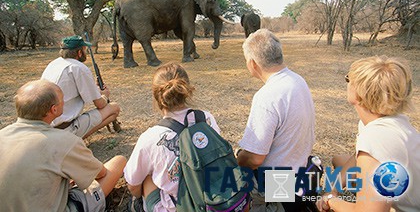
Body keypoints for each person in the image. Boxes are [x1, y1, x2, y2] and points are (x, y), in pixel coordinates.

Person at [0, 79, 127, 212]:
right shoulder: (64, 141)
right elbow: (100, 174)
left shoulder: (2, 134)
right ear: (54, 109)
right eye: (62, 100)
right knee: (118, 162)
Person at [317, 56, 420, 212]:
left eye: (348, 79)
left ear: (359, 93)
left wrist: (331, 201)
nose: (347, 82)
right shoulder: (384, 121)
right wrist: (334, 188)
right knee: (339, 160)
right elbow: (357, 158)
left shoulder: (377, 137)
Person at [124, 62, 221, 212]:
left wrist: (139, 196)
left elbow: (132, 184)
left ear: (157, 97)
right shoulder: (207, 119)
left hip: (178, 207)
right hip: (213, 201)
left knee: (147, 178)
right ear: (187, 90)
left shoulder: (150, 138)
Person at [236, 29, 316, 212]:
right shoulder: (298, 80)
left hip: (279, 185)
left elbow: (255, 159)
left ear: (252, 64)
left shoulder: (267, 96)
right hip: (300, 172)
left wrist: (238, 159)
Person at [41, 35, 121, 138]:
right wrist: (105, 95)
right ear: (79, 53)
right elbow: (100, 104)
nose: (86, 52)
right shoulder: (79, 68)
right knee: (114, 108)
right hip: (64, 129)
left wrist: (94, 88)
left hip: (46, 127)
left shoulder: (53, 64)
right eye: (84, 50)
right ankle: (75, 139)